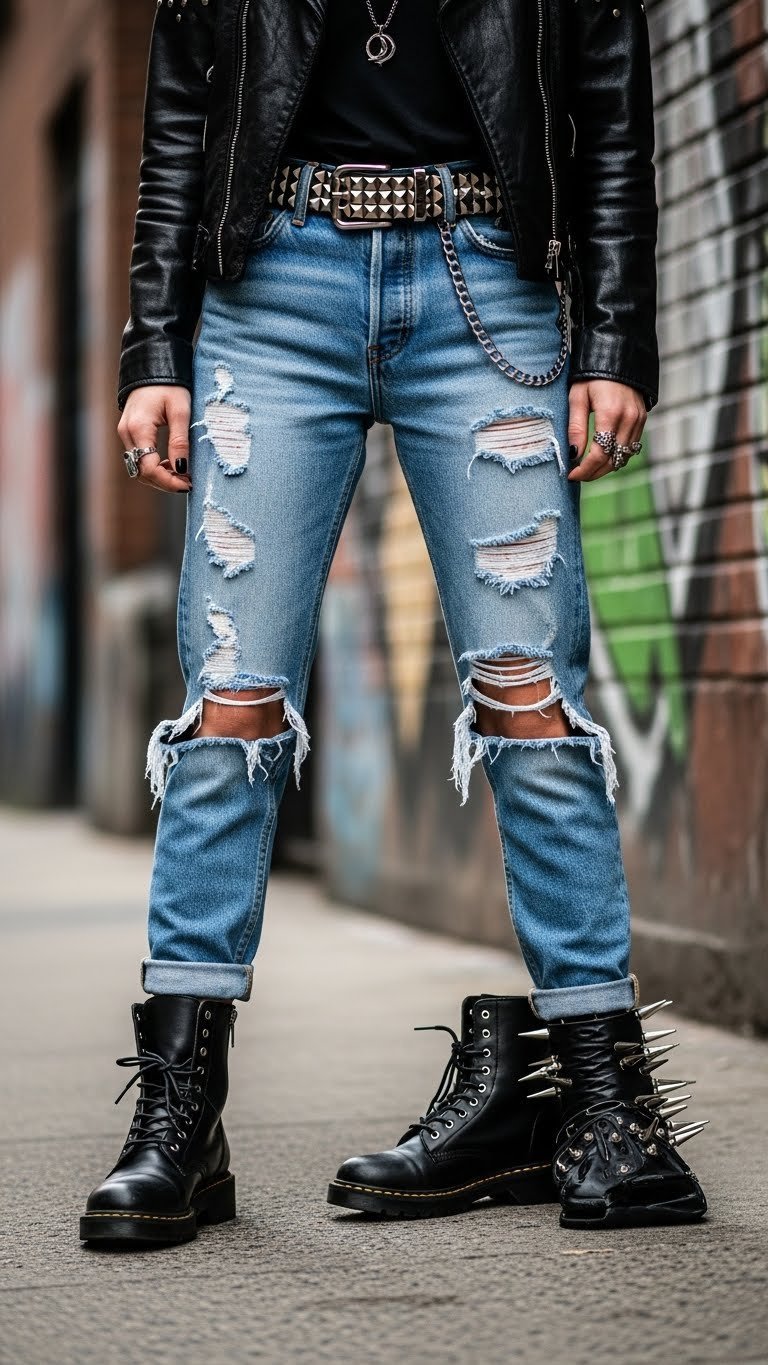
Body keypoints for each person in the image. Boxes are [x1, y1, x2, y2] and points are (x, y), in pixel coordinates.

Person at [80, 0, 708, 1244]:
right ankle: (178, 1119)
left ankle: (604, 1104)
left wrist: (617, 333)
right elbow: (183, 110)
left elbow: (606, 90)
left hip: (487, 280)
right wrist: (155, 346)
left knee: (532, 699)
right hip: (270, 290)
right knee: (230, 709)